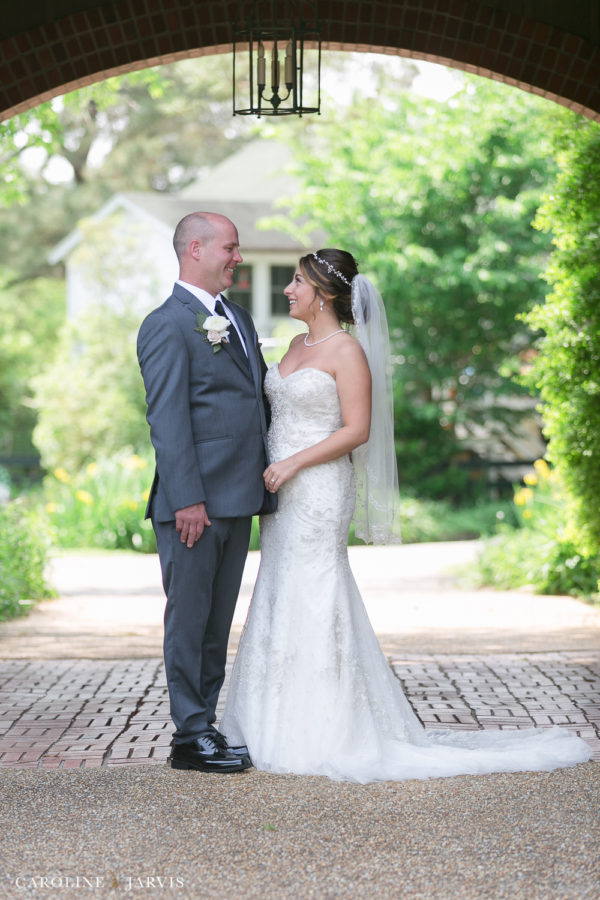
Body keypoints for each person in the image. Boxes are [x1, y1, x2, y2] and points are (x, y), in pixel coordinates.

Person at [219, 248, 592, 783]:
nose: (288, 290)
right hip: (282, 491)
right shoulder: (297, 344)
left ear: (323, 293)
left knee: (317, 586)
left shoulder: (346, 351)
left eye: (297, 281)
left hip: (317, 485)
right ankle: (266, 722)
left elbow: (356, 430)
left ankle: (329, 728)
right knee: (279, 585)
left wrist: (294, 462)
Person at [137, 212, 276, 774]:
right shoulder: (166, 324)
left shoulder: (236, 317)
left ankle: (206, 727)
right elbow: (167, 420)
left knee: (217, 624)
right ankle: (189, 733)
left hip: (238, 497)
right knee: (188, 621)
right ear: (195, 249)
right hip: (192, 506)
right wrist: (186, 498)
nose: (238, 258)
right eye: (231, 248)